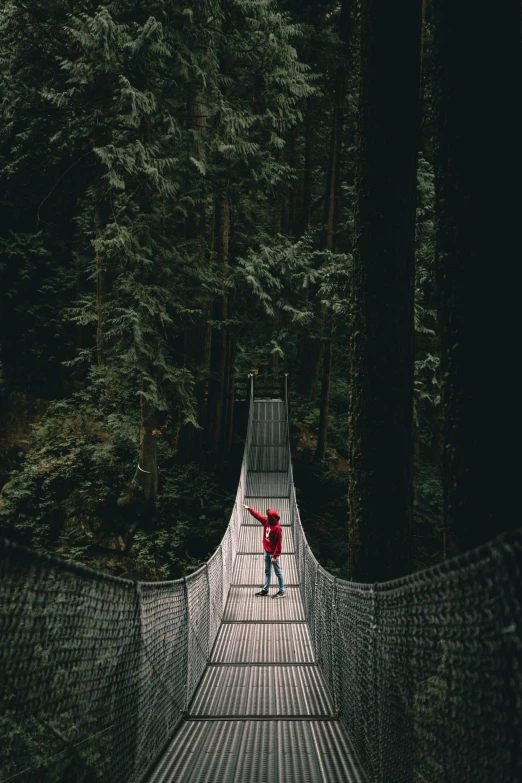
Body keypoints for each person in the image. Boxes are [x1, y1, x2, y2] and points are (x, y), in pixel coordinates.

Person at [242, 504, 285, 598]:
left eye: (267, 515)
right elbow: (257, 515)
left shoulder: (277, 529)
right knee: (267, 572)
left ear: (271, 518)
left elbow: (279, 544)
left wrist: (275, 556)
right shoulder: (266, 521)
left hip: (273, 554)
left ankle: (282, 591)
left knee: (278, 572)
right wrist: (249, 508)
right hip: (266, 551)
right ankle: (265, 590)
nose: (265, 516)